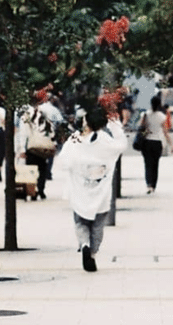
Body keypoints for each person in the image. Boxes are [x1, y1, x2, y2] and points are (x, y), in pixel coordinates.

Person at [57, 105, 127, 272]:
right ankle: (93, 253)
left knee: (80, 222)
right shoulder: (105, 140)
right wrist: (115, 125)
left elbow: (64, 160)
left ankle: (85, 244)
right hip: (101, 192)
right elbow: (122, 144)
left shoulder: (76, 138)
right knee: (97, 226)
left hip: (80, 190)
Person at [19, 90, 63, 200]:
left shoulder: (27, 114)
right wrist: (53, 142)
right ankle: (41, 189)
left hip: (32, 145)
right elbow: (50, 129)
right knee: (42, 168)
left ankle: (32, 190)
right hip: (43, 145)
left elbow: (24, 132)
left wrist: (22, 149)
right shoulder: (45, 113)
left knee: (31, 169)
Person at [139, 95, 173, 194]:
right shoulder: (162, 116)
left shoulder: (145, 114)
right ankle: (153, 185)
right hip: (157, 142)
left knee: (147, 164)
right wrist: (171, 144)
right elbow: (165, 132)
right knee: (155, 164)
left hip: (146, 141)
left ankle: (148, 184)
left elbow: (141, 127)